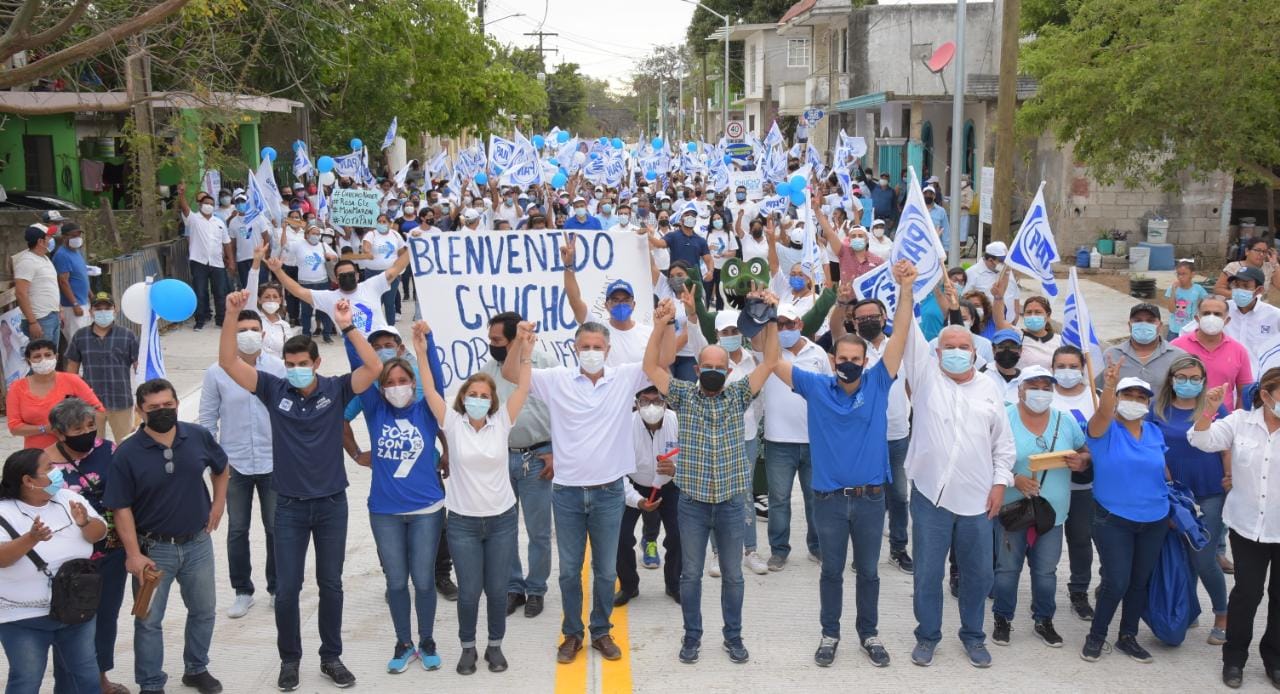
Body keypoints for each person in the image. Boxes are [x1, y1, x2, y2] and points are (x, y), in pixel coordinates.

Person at [217, 291, 382, 690]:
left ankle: (331, 657)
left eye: (302, 365)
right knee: (288, 589)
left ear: (316, 363)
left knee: (332, 585)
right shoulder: (274, 390)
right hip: (288, 507)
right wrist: (231, 314)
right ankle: (289, 660)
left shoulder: (337, 388)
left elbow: (374, 366)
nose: (295, 370)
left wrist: (347, 326)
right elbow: (227, 362)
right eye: (290, 365)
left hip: (330, 505)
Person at [775, 262, 913, 667]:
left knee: (869, 573)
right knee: (831, 572)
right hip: (830, 501)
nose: (850, 362)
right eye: (843, 357)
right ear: (833, 360)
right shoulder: (815, 386)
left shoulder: (878, 381)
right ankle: (829, 634)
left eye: (857, 356)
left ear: (865, 358)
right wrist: (767, 318)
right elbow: (771, 360)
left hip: (872, 500)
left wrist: (906, 291)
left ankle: (868, 634)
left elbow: (900, 336)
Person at [501, 321, 654, 665]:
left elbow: (662, 359)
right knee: (570, 570)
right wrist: (521, 344)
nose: (591, 352)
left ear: (609, 350)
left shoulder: (625, 377)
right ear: (574, 349)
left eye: (598, 346)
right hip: (568, 494)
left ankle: (600, 630)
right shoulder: (556, 380)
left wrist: (661, 325)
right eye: (585, 346)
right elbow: (513, 374)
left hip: (609, 493)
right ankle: (572, 633)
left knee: (604, 570)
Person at [642, 292, 779, 666]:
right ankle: (692, 637)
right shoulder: (685, 396)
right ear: (699, 370)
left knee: (734, 576)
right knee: (691, 575)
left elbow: (770, 361)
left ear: (727, 370)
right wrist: (660, 327)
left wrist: (769, 317)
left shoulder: (738, 395)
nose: (716, 370)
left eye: (722, 365)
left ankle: (733, 637)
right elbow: (652, 366)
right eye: (709, 366)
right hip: (693, 504)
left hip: (733, 503)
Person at [900, 284, 1016, 668]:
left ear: (974, 352)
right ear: (936, 353)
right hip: (930, 497)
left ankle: (973, 636)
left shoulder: (988, 389)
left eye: (962, 347)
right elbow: (908, 332)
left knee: (977, 576)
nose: (955, 352)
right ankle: (927, 636)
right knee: (928, 574)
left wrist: (1000, 484)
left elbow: (1004, 445)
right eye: (947, 346)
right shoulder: (926, 376)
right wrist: (906, 288)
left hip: (977, 500)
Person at [422, 320, 532, 675]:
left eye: (485, 396)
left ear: (493, 401)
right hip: (463, 523)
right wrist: (423, 352)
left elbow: (523, 388)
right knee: (469, 592)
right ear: (463, 398)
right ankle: (468, 647)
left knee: (498, 592)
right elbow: (428, 390)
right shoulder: (452, 423)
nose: (479, 400)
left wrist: (526, 354)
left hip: (501, 520)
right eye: (473, 395)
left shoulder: (503, 422)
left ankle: (495, 646)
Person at [104, 378, 229, 694]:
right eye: (154, 408)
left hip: (197, 544)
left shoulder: (198, 436)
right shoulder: (127, 452)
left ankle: (196, 668)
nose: (163, 412)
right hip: (152, 550)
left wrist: (218, 505)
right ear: (139, 410)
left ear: (176, 403)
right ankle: (150, 683)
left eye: (168, 405)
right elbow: (120, 508)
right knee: (147, 620)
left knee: (203, 611)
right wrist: (133, 554)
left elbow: (221, 467)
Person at [352, 321, 449, 674]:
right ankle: (403, 642)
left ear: (412, 383)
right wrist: (349, 327)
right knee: (396, 581)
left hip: (427, 509)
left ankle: (426, 640)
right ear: (380, 389)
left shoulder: (425, 408)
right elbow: (358, 363)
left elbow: (434, 377)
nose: (396, 388)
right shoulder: (375, 409)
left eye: (402, 381)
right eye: (389, 383)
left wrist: (427, 342)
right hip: (385, 512)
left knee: (423, 580)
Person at [1189, 368, 1280, 688]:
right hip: (1246, 526)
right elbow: (1200, 439)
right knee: (1247, 594)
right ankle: (1234, 659)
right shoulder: (1240, 421)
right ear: (1267, 395)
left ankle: (1275, 658)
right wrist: (1208, 410)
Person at [991, 366, 1089, 649]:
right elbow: (985, 458)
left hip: (1052, 512)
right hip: (1012, 508)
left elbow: (1085, 452)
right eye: (1034, 386)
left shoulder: (1065, 421)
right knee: (1007, 568)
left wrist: (1082, 462)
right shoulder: (1003, 419)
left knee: (1046, 570)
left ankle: (1044, 619)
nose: (1041, 392)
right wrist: (1014, 478)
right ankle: (1003, 618)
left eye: (1047, 387)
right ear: (1019, 389)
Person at [199, 309, 286, 620]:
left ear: (263, 334)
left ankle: (277, 588)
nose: (248, 334)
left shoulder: (278, 368)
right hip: (233, 465)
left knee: (277, 528)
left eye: (253, 328)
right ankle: (242, 590)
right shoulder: (216, 373)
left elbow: (288, 414)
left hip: (272, 462)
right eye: (242, 329)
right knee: (237, 529)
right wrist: (212, 464)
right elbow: (207, 419)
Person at [0, 448, 109, 694]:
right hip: (23, 618)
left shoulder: (68, 497)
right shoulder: (4, 512)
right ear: (28, 481)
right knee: (26, 681)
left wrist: (85, 523)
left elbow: (99, 534)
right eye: (48, 468)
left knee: (85, 678)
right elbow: (2, 559)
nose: (57, 472)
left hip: (76, 610)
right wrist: (31, 538)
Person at [1081, 363, 1169, 664]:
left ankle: (1127, 636)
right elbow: (1104, 413)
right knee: (1116, 580)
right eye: (1127, 394)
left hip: (1155, 518)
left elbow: (1162, 469)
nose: (1134, 400)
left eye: (1140, 396)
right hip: (1113, 519)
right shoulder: (1104, 430)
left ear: (1148, 403)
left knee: (1138, 582)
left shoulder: (1155, 432)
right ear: (1116, 398)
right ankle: (1097, 635)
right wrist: (1109, 384)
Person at [43, 397, 130, 694]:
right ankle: (67, 686)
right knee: (69, 622)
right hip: (67, 560)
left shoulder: (110, 451)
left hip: (111, 552)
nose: (87, 432)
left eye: (91, 425)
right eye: (77, 427)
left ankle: (100, 679)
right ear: (58, 431)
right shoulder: (43, 462)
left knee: (105, 618)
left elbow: (126, 496)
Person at [479, 313, 557, 620]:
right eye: (491, 340)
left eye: (497, 340)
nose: (492, 345)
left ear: (514, 340)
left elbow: (564, 412)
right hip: (501, 460)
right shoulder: (486, 373)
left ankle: (536, 588)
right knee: (504, 530)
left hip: (539, 459)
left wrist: (556, 451)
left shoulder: (546, 365)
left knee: (539, 532)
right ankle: (514, 586)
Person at [1148, 355, 1230, 645]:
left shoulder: (1214, 408)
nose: (1188, 383)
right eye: (1181, 377)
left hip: (1209, 491)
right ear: (1171, 379)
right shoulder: (1156, 409)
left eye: (1195, 378)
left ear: (1203, 381)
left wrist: (1230, 476)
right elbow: (1148, 445)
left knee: (1203, 557)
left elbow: (1227, 446)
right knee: (1180, 552)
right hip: (1173, 493)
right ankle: (1188, 608)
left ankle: (1222, 615)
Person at [762, 303, 831, 570]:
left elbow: (829, 390)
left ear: (799, 324)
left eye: (788, 324)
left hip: (815, 440)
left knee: (816, 498)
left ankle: (817, 547)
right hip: (778, 441)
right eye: (778, 325)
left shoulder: (819, 353)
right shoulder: (769, 352)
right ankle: (779, 550)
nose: (783, 330)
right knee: (778, 499)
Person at [268, 250, 410, 367]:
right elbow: (298, 291)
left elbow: (395, 269)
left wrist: (412, 246)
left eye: (350, 274)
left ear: (357, 275)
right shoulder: (328, 297)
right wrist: (278, 271)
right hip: (358, 354)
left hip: (386, 347)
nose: (347, 278)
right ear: (335, 279)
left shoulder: (371, 285)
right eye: (342, 276)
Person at [613, 386, 679, 607]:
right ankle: (629, 586)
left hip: (669, 485)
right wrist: (637, 500)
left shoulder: (678, 422)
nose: (651, 407)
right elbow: (617, 471)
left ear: (666, 403)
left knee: (679, 536)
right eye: (645, 401)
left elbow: (692, 456)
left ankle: (674, 584)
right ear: (637, 404)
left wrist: (676, 470)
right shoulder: (624, 426)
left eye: (657, 401)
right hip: (634, 484)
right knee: (620, 538)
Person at [1049, 345, 1100, 621]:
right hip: (1048, 484)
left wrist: (1087, 459)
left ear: (1083, 368)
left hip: (1083, 486)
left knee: (1081, 539)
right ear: (1052, 368)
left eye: (1073, 366)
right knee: (1044, 542)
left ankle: (1079, 591)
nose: (1067, 372)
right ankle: (1042, 591)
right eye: (1061, 366)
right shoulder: (1044, 395)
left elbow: (1104, 441)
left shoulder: (1096, 397)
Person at [64, 292, 139, 442]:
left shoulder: (127, 335)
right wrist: (71, 398)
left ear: (115, 310)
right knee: (92, 446)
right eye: (98, 309)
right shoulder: (81, 336)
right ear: (91, 311)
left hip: (121, 402)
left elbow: (139, 368)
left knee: (125, 444)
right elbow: (72, 369)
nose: (103, 312)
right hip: (89, 404)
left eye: (107, 308)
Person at [7, 339, 104, 449]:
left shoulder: (72, 380)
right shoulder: (17, 387)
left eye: (48, 355)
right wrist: (46, 429)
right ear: (29, 361)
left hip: (74, 449)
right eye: (37, 356)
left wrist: (76, 425)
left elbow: (97, 409)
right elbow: (14, 427)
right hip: (38, 454)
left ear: (56, 357)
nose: (43, 360)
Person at [564, 251, 653, 366]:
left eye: (626, 300)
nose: (621, 304)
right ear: (606, 305)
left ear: (633, 304)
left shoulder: (648, 333)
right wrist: (568, 266)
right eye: (615, 300)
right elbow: (574, 300)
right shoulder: (596, 328)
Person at [1171, 297, 1253, 409]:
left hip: (1222, 421)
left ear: (1227, 320)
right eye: (1206, 313)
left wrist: (1237, 421)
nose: (1211, 317)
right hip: (1182, 419)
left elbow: (1243, 394)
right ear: (1197, 318)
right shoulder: (1176, 347)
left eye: (1217, 314)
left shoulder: (1239, 351)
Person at [177, 182, 235, 331]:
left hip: (217, 263)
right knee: (200, 292)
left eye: (211, 203)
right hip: (199, 261)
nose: (208, 205)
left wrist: (231, 261)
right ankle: (200, 320)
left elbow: (227, 243)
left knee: (220, 292)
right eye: (206, 203)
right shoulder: (194, 219)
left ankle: (221, 320)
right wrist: (181, 194)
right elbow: (184, 208)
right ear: (200, 205)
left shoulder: (219, 222)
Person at [1096, 303, 1186, 395]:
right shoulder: (1111, 355)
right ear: (1129, 325)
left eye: (1150, 321)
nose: (1143, 324)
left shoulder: (1178, 357)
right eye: (1138, 320)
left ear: (1160, 325)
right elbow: (1097, 392)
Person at [1223, 267, 1280, 376]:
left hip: (1258, 381)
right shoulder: (1222, 310)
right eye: (1236, 285)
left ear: (1259, 290)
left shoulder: (1274, 315)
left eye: (1245, 286)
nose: (1239, 290)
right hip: (1227, 380)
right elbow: (1189, 331)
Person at [14, 224, 62, 343]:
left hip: (52, 315)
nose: (52, 240)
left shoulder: (44, 258)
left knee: (52, 357)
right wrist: (33, 322)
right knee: (40, 359)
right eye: (49, 237)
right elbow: (20, 293)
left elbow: (50, 287)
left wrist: (59, 309)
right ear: (40, 241)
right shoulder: (27, 261)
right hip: (40, 319)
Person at [292, 225, 339, 344]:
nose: (316, 236)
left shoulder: (323, 245)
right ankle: (306, 334)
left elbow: (336, 257)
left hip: (322, 283)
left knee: (324, 309)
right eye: (313, 233)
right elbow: (285, 247)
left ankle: (327, 334)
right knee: (306, 311)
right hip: (305, 283)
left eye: (318, 233)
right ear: (306, 234)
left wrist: (331, 256)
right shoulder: (298, 244)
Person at [362, 216, 407, 325]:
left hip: (391, 274)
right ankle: (374, 326)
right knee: (374, 302)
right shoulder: (371, 234)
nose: (381, 224)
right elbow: (366, 246)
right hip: (373, 274)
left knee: (389, 302)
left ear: (390, 223)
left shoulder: (396, 235)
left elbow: (402, 253)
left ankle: (391, 328)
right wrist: (368, 252)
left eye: (384, 221)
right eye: (379, 222)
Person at [53, 221, 92, 338]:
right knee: (77, 341)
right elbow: (63, 282)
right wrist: (74, 304)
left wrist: (91, 295)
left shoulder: (77, 252)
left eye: (79, 235)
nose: (77, 238)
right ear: (64, 237)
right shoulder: (62, 255)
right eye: (73, 236)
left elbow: (82, 275)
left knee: (87, 340)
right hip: (72, 307)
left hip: (84, 302)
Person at [1214, 236, 1280, 299]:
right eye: (1257, 250)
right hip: (1236, 304)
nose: (1261, 254)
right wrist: (1238, 296)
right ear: (1247, 251)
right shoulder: (1233, 267)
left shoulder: (1269, 267)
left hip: (1260, 306)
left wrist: (1276, 265)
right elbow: (1218, 289)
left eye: (1264, 251)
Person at [965, 242, 1020, 317]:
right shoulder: (972, 273)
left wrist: (1016, 316)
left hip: (1008, 323)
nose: (1006, 264)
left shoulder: (1007, 271)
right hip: (986, 323)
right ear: (991, 260)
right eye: (1002, 261)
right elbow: (965, 299)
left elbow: (1015, 294)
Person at [1166, 259, 1208, 338]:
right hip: (1175, 329)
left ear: (1192, 274)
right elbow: (1171, 310)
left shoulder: (1198, 289)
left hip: (1191, 329)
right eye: (1178, 274)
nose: (1180, 277)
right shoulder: (1172, 289)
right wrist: (1173, 292)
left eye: (1184, 274)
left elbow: (1207, 302)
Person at [981, 329, 1024, 403]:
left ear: (1020, 350)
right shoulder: (982, 375)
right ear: (993, 350)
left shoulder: (1025, 379)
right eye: (1001, 347)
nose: (1007, 351)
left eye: (1012, 347)